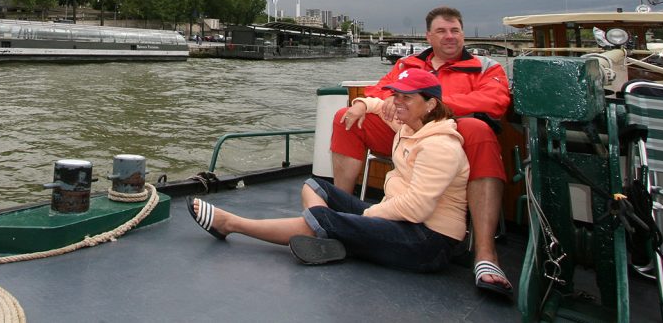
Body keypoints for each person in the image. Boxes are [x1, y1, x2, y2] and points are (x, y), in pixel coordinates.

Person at [187, 69, 469, 273]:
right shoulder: (411, 126)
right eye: (397, 95)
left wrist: (363, 216)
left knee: (324, 217)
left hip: (428, 241)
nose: (397, 102)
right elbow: (379, 105)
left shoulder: (440, 146)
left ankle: (232, 224)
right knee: (314, 186)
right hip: (400, 220)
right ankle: (335, 236)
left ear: (431, 104)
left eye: (406, 98)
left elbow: (417, 208)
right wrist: (362, 104)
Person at [331, 6, 513, 298]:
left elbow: (494, 101)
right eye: (441, 31)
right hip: (405, 130)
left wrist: (430, 102)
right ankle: (341, 214)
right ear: (429, 35)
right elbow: (381, 90)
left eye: (455, 30)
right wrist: (364, 103)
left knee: (480, 132)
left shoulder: (486, 66)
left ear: (463, 33)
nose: (449, 37)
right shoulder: (408, 64)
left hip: (456, 133)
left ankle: (485, 254)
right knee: (347, 118)